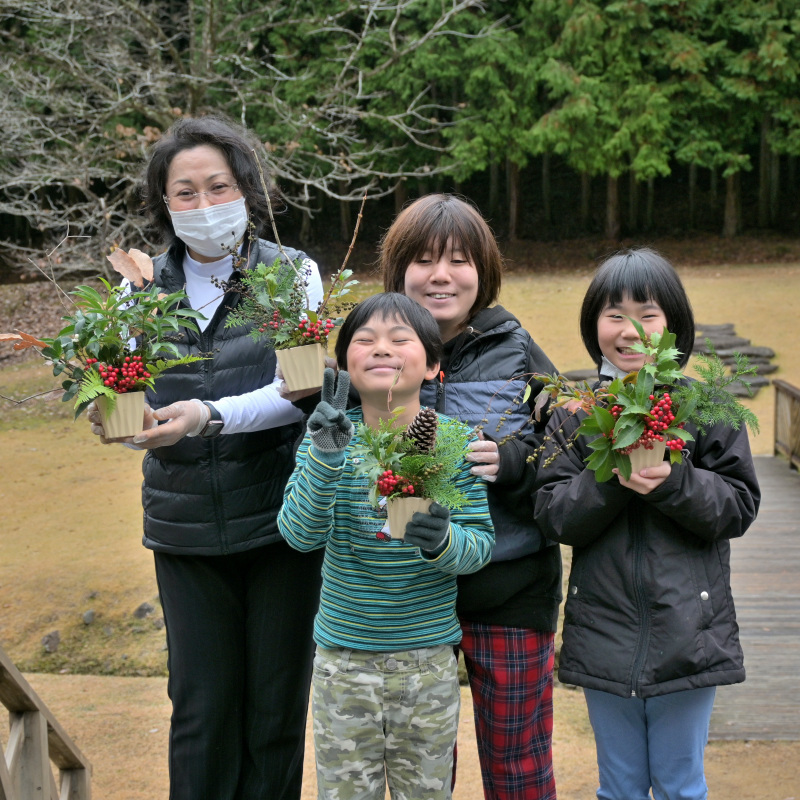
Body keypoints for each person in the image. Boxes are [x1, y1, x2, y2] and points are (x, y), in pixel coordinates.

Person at [88, 115, 325, 800]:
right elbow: (121, 399)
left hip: (282, 523)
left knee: (275, 713)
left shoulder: (291, 276)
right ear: (164, 204)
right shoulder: (138, 289)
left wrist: (210, 417)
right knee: (200, 712)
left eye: (217, 187)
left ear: (247, 190)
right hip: (185, 529)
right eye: (183, 193)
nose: (203, 205)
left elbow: (301, 389)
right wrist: (119, 420)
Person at [533, 248, 761, 800]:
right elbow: (553, 513)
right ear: (594, 325)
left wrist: (675, 481)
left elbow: (737, 506)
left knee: (681, 785)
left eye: (648, 313)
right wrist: (612, 470)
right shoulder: (577, 411)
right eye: (614, 313)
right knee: (621, 787)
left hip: (690, 633)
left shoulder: (703, 407)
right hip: (604, 632)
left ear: (674, 324)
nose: (630, 329)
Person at [278, 292, 495, 800]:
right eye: (364, 340)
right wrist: (326, 458)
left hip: (427, 663)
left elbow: (480, 546)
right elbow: (299, 535)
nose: (382, 349)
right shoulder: (324, 439)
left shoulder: (457, 444)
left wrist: (444, 542)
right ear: (344, 363)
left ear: (433, 364)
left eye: (401, 340)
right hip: (342, 664)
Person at [381, 194, 562, 800]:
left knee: (520, 768)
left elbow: (564, 455)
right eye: (425, 259)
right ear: (398, 269)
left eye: (458, 259)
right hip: (409, 592)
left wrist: (511, 461)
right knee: (418, 772)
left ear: (483, 269)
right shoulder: (375, 347)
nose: (441, 275)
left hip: (510, 585)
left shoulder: (517, 346)